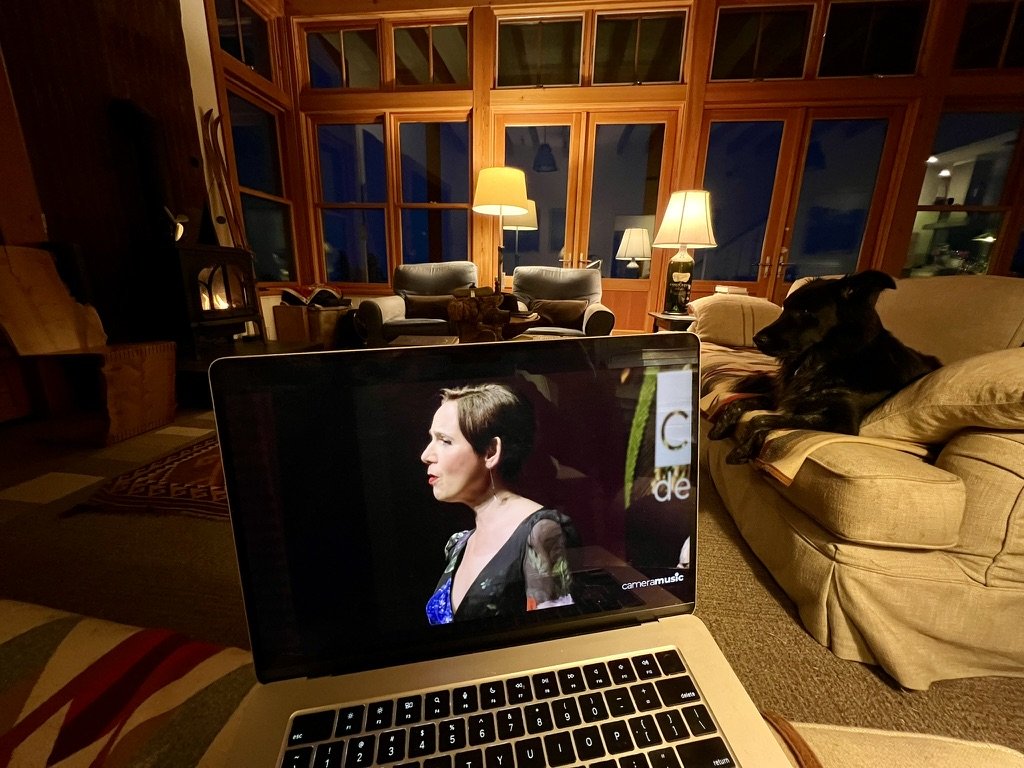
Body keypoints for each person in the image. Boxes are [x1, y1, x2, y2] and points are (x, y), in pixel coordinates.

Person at [421, 383, 576, 625]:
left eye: (445, 441)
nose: (426, 455)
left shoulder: (541, 531)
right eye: (432, 439)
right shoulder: (457, 544)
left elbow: (556, 635)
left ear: (491, 452)